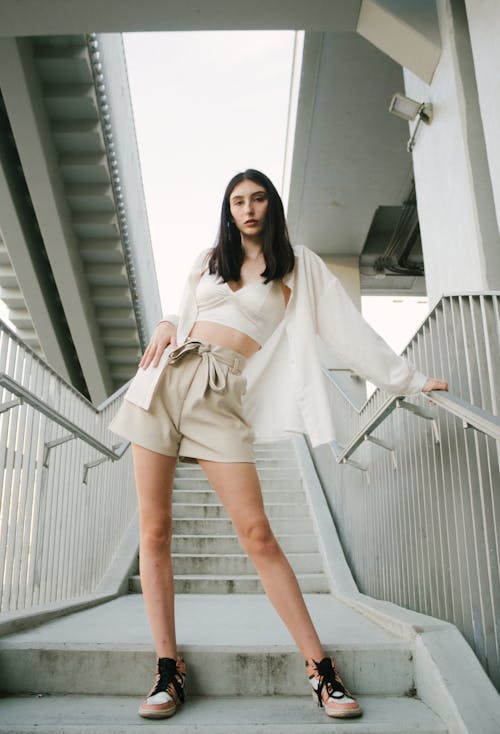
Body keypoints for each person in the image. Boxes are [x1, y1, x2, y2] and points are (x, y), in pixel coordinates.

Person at [109, 169, 448, 721]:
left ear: (272, 204)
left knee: (258, 533)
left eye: (258, 198)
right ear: (228, 208)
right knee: (154, 530)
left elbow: (346, 328)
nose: (248, 208)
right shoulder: (207, 258)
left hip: (219, 394)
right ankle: (168, 668)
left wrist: (408, 381)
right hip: (161, 384)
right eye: (237, 200)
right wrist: (169, 320)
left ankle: (320, 670)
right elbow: (186, 312)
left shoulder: (297, 264)